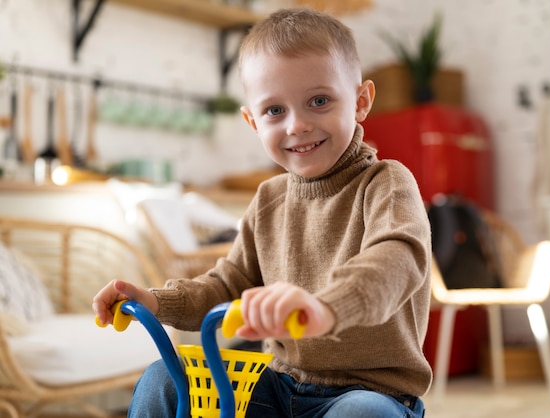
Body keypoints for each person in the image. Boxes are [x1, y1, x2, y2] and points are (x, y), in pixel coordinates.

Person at [93, 7, 432, 418]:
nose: (297, 125)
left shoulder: (387, 183)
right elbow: (227, 285)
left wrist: (324, 309)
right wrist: (157, 301)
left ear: (360, 102)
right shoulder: (268, 199)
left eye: (319, 101)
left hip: (373, 392)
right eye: (275, 111)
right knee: (162, 379)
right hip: (278, 385)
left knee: (363, 414)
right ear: (252, 121)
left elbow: (396, 262)